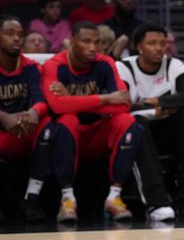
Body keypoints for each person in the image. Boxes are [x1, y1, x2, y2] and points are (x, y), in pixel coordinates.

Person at [42, 21, 142, 222]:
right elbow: (57, 106)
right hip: (67, 135)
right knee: (67, 119)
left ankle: (114, 198)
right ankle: (67, 200)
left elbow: (123, 103)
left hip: (96, 133)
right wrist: (104, 98)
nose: (93, 48)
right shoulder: (54, 65)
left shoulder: (105, 63)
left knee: (127, 120)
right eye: (86, 41)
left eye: (96, 42)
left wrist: (70, 99)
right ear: (71, 43)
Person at [116, 23, 184, 220]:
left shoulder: (173, 65)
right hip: (137, 134)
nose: (159, 48)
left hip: (166, 130)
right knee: (137, 121)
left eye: (162, 43)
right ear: (139, 46)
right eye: (152, 43)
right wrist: (164, 106)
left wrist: (153, 101)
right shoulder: (124, 67)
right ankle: (156, 202)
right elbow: (124, 105)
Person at [0, 16, 56, 222]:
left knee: (47, 123)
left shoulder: (30, 67)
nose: (16, 39)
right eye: (9, 34)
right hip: (2, 131)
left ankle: (31, 198)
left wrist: (33, 112)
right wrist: (4, 116)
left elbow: (41, 100)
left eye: (20, 34)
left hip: (22, 131)